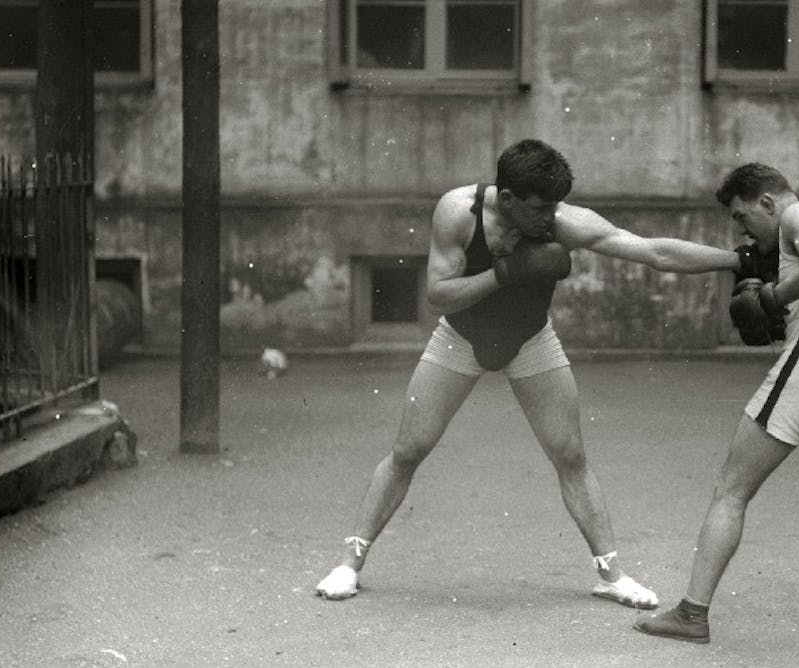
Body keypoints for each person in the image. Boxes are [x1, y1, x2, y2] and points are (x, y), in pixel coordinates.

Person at [316, 139, 740, 610]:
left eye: (555, 207)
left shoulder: (562, 221)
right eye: (539, 208)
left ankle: (612, 576)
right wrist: (505, 273)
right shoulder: (458, 212)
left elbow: (652, 252)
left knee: (570, 455)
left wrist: (736, 260)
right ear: (507, 198)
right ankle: (348, 564)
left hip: (531, 340)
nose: (549, 218)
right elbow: (438, 294)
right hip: (460, 338)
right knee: (407, 451)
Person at [633, 163, 799, 653]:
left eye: (741, 216)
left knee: (731, 489)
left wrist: (773, 297)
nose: (742, 229)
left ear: (768, 202)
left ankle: (691, 614)